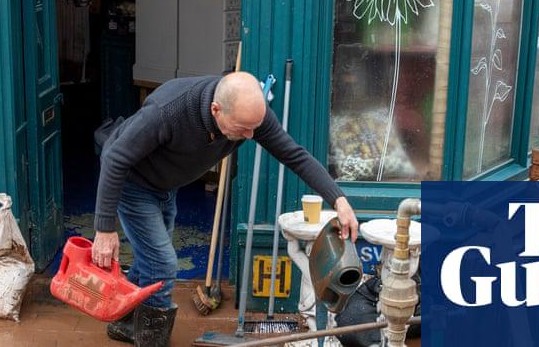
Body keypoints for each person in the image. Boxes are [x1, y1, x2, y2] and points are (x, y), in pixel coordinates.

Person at [92, 72, 358, 347]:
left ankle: (124, 321)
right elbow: (115, 158)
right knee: (161, 263)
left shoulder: (250, 117)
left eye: (254, 128)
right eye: (243, 129)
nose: (251, 135)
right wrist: (104, 229)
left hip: (165, 186)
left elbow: (295, 155)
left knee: (151, 258)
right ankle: (151, 340)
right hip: (133, 184)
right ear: (215, 110)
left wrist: (339, 200)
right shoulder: (168, 110)